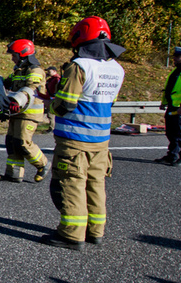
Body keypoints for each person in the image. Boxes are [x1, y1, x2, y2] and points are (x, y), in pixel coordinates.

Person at [41, 16, 124, 250]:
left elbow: (65, 104)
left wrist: (53, 98)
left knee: (72, 185)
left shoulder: (80, 66)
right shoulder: (116, 69)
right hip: (101, 142)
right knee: (95, 185)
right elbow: (110, 101)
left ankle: (71, 234)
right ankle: (95, 231)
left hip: (75, 141)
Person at [0, 39, 50, 183]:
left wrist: (16, 101)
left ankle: (43, 164)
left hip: (29, 113)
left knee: (22, 142)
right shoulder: (18, 71)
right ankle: (13, 174)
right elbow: (7, 84)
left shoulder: (35, 71)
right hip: (17, 111)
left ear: (23, 54)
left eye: (14, 55)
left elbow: (30, 90)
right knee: (11, 142)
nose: (12, 58)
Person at [41, 66, 61, 130]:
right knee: (49, 114)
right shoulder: (51, 79)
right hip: (49, 97)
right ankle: (52, 127)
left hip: (53, 98)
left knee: (50, 114)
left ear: (54, 71)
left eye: (49, 71)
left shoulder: (57, 79)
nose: (48, 72)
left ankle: (52, 128)